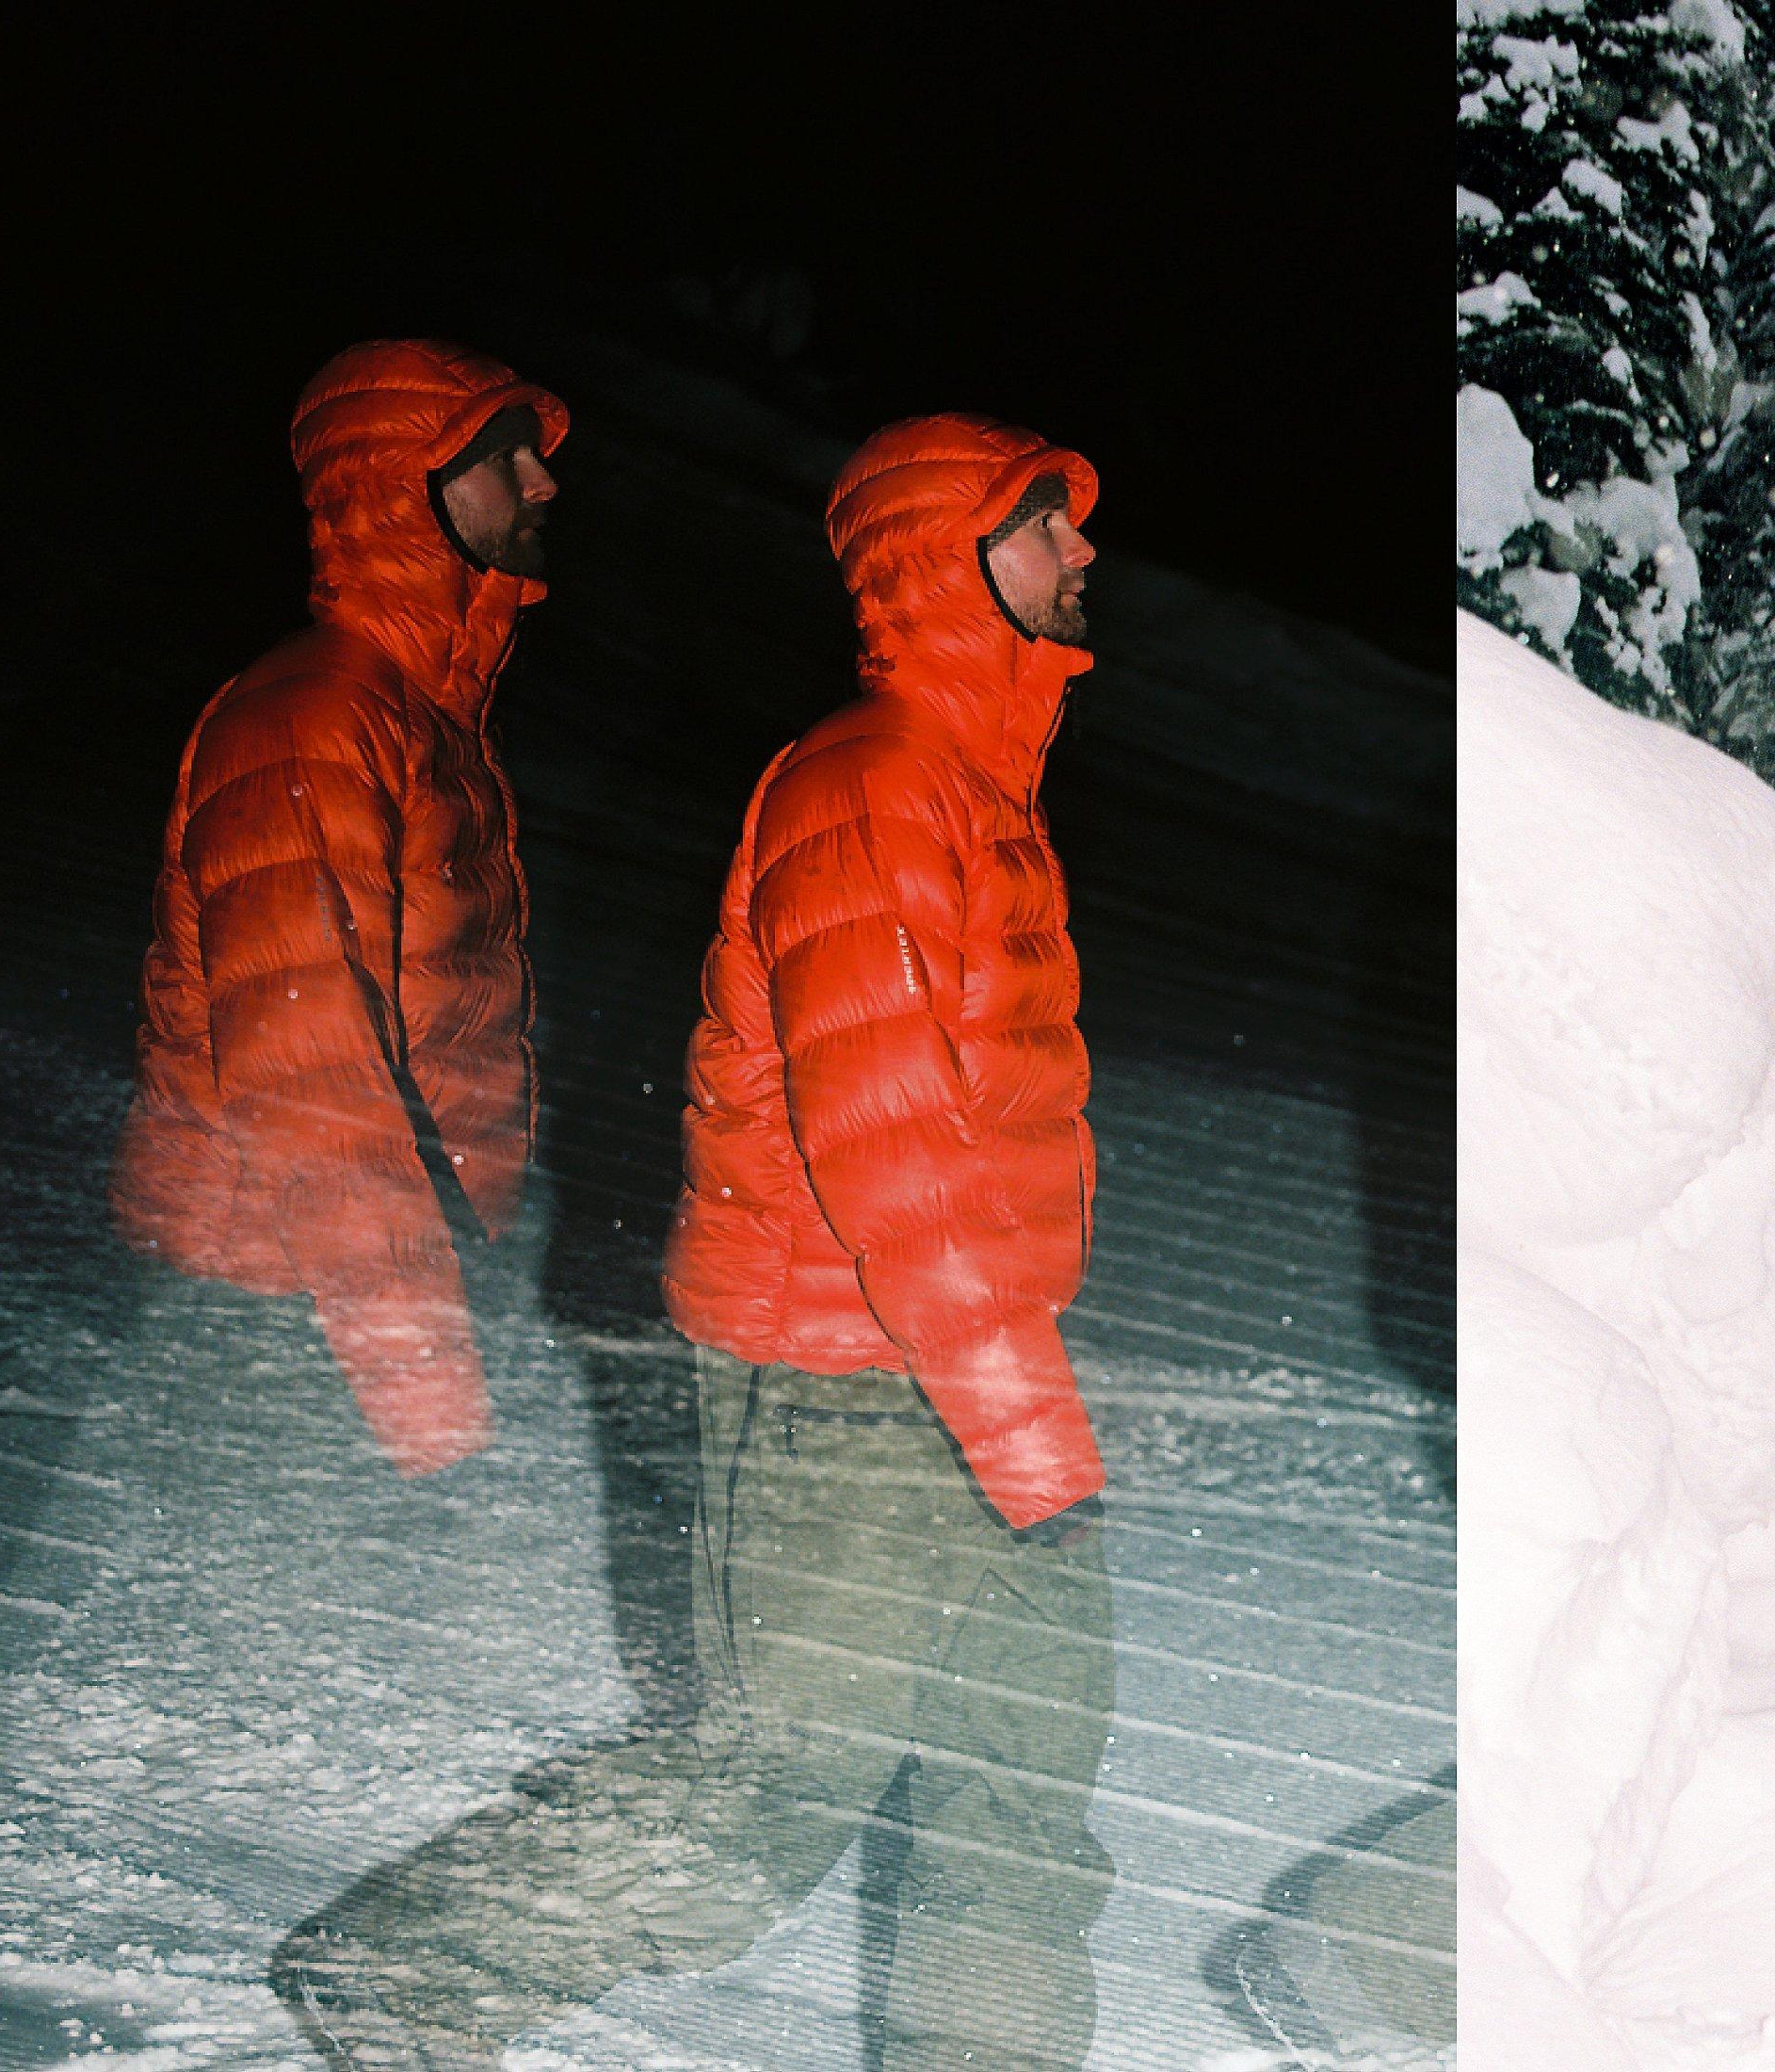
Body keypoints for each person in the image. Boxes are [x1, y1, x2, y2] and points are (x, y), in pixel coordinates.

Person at [269, 416, 1117, 2072]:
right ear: (943, 561)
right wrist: (1021, 1419)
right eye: (1042, 522)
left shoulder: (969, 789)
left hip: (966, 1364)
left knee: (1019, 1802)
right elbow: (892, 1154)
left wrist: (1016, 1395)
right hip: (842, 1389)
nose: (1083, 549)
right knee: (773, 1792)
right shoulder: (869, 790)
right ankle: (412, 1974)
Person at [112, 341, 563, 1477]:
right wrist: (426, 1400)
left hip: (361, 1286)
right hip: (279, 1308)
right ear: (402, 487)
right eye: (502, 456)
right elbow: (312, 1090)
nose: (543, 481)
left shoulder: (419, 713)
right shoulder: (312, 721)